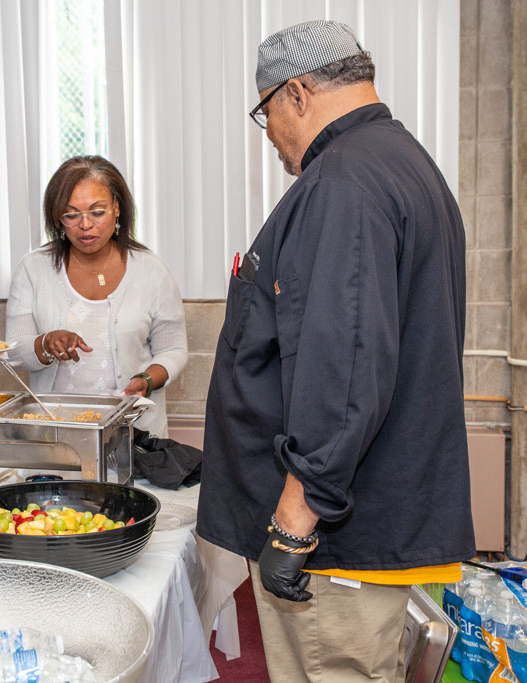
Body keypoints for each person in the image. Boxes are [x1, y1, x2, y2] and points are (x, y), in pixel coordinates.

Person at [196, 20, 474, 682]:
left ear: (295, 92)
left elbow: (343, 368)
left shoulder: (344, 183)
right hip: (371, 516)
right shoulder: (399, 162)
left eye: (265, 114)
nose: (270, 137)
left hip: (332, 537)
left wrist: (293, 524)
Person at [5, 156, 187, 437]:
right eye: (71, 214)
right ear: (58, 217)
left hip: (135, 437)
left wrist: (147, 380)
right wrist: (44, 343)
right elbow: (15, 353)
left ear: (116, 208)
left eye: (97, 212)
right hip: (57, 436)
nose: (85, 225)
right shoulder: (34, 268)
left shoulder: (151, 270)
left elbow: (173, 350)